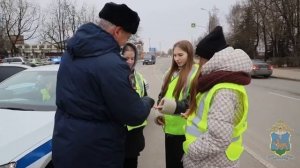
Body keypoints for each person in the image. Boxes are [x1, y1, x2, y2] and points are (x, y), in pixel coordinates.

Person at [52, 2, 154, 168]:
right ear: (118, 31)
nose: (123, 44)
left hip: (66, 144)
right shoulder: (111, 63)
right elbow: (133, 114)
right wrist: (146, 101)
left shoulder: (70, 53)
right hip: (97, 152)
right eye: (126, 38)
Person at [182, 26, 252, 168]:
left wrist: (191, 151)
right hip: (211, 161)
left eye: (200, 58)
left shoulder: (224, 90)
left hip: (212, 162)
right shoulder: (216, 82)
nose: (199, 63)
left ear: (210, 59)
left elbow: (219, 138)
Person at [154, 40, 199, 168]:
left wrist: (169, 108)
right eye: (175, 55)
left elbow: (192, 102)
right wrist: (159, 114)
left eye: (181, 55)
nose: (177, 58)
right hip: (169, 128)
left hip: (185, 132)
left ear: (189, 54)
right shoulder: (171, 72)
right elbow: (162, 96)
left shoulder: (195, 73)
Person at [121, 43, 148, 168]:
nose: (130, 62)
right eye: (126, 58)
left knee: (132, 164)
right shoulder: (114, 76)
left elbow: (144, 98)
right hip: (118, 132)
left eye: (132, 58)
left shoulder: (139, 77)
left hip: (134, 133)